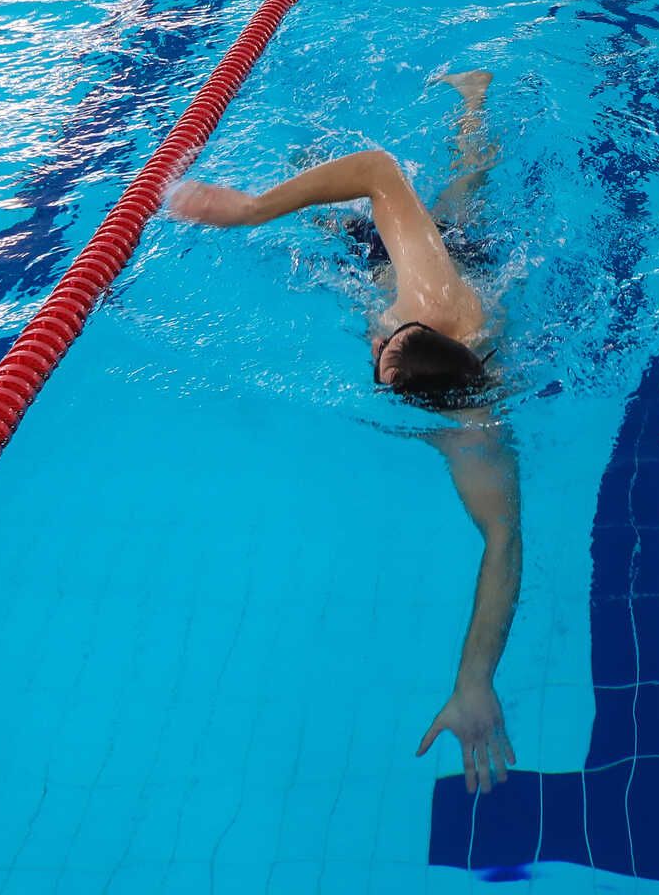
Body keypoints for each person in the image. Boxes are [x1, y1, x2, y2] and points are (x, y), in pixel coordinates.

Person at [166, 72, 517, 792]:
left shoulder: (471, 430)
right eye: (385, 340)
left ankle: (469, 115)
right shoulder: (428, 299)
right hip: (443, 274)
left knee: (428, 217)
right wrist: (250, 211)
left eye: (379, 354)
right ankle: (475, 98)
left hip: (457, 306)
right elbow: (378, 170)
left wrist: (474, 681)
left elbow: (504, 541)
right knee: (450, 207)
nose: (374, 342)